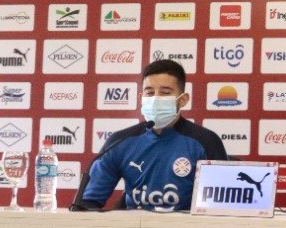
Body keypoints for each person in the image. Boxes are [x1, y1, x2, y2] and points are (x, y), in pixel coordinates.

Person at [78, 59, 227, 211]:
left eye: (165, 93)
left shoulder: (206, 141)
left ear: (182, 100)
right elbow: (87, 203)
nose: (155, 99)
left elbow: (221, 204)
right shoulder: (120, 141)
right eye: (149, 92)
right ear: (141, 98)